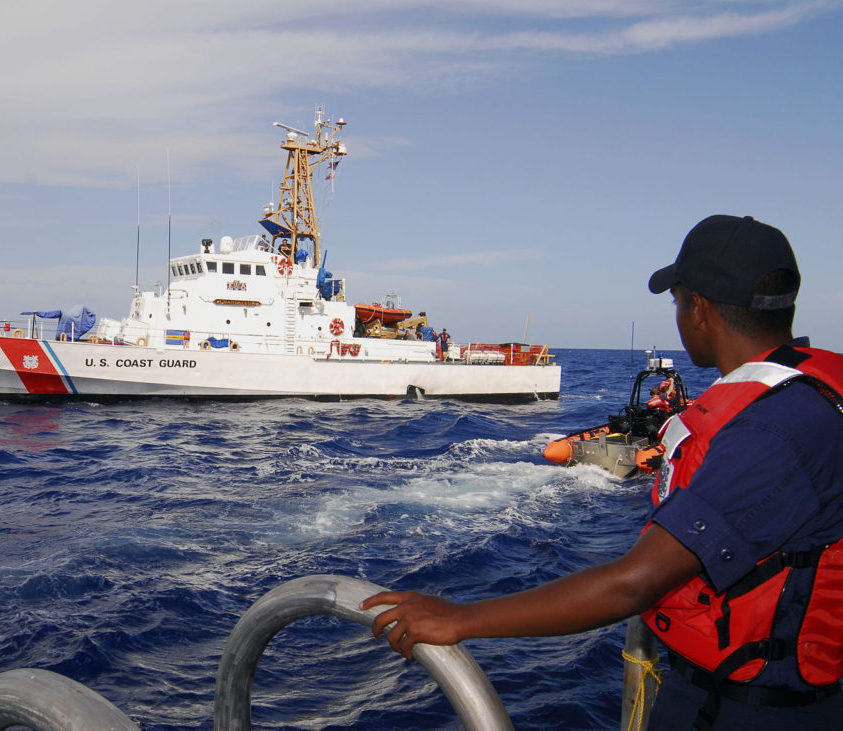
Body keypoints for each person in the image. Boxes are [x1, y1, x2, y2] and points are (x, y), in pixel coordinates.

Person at [361, 215, 843, 730]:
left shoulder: (770, 431)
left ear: (697, 307)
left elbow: (632, 584)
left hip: (753, 708)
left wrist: (461, 617)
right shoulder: (807, 395)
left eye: (677, 301)